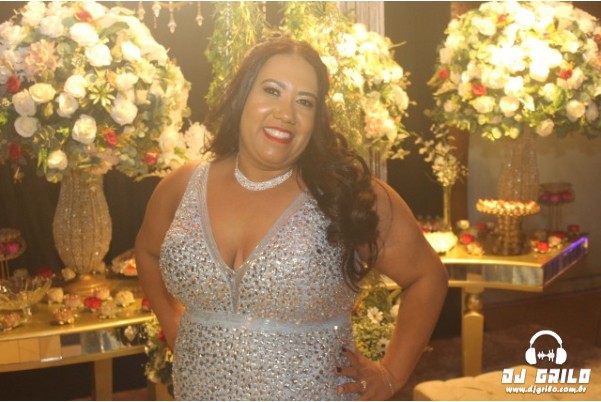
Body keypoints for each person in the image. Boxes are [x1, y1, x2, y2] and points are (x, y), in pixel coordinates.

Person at [135, 36, 448, 401]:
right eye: (272, 91)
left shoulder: (347, 195)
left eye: (304, 101)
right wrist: (172, 323)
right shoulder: (184, 185)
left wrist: (391, 374)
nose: (286, 113)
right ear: (242, 96)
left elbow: (428, 276)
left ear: (316, 119)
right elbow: (147, 251)